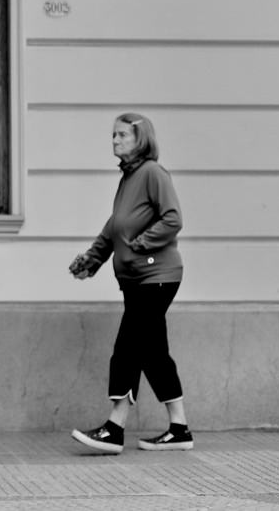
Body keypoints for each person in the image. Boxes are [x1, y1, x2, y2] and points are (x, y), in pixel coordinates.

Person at [69, 112, 194, 455]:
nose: (114, 140)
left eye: (122, 135)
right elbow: (115, 227)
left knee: (128, 346)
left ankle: (114, 427)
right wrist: (91, 260)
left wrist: (141, 244)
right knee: (153, 352)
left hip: (157, 276)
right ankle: (179, 429)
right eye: (113, 135)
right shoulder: (128, 178)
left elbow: (173, 218)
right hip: (138, 280)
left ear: (141, 139)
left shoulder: (153, 173)